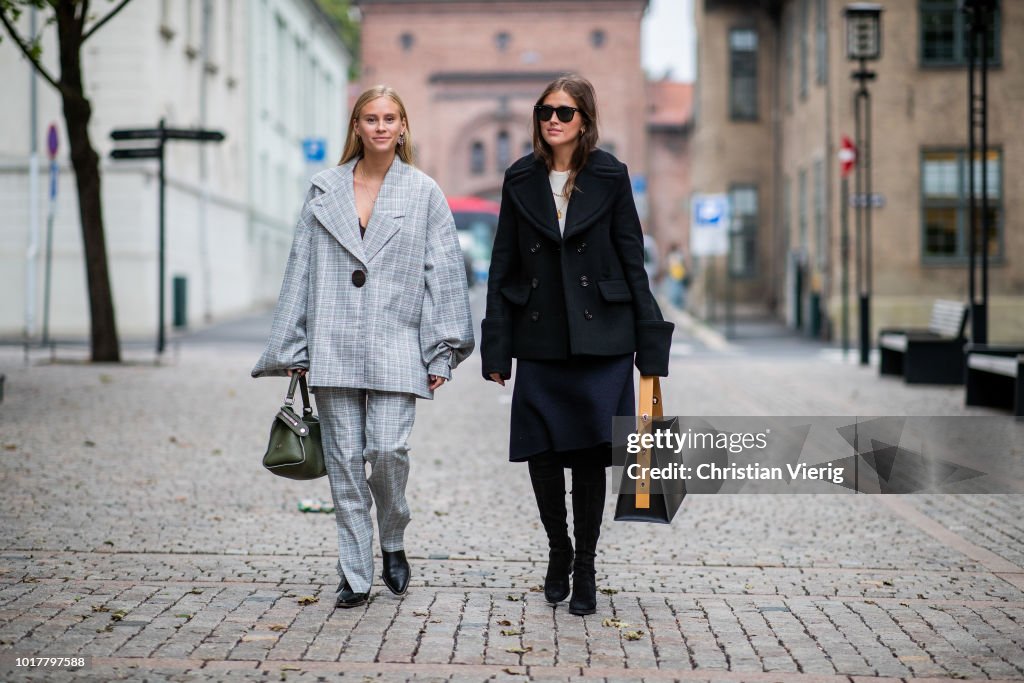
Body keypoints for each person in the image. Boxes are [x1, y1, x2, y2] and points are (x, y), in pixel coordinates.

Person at [253, 85, 474, 609]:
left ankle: (392, 536)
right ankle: (355, 573)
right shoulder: (324, 188)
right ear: (356, 126)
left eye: (389, 118)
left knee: (387, 451)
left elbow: (444, 274)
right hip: (332, 341)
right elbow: (300, 269)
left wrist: (443, 350)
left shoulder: (423, 192)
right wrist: (295, 347)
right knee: (345, 462)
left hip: (399, 341)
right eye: (370, 118)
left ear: (403, 127)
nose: (380, 126)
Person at [480, 75, 674, 616]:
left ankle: (585, 562)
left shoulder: (610, 175)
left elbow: (632, 260)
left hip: (601, 339)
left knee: (590, 457)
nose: (553, 120)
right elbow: (503, 264)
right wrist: (496, 348)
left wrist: (650, 349)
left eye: (565, 112)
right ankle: (557, 548)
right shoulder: (519, 178)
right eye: (545, 111)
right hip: (539, 337)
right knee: (542, 455)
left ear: (584, 119)